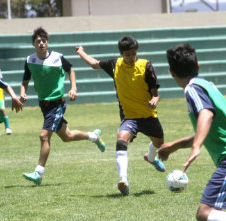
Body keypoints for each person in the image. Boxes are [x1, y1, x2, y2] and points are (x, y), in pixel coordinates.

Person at [158, 43, 226, 221]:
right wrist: (176, 145)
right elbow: (209, 127)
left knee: (205, 213)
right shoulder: (207, 85)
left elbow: (206, 114)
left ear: (171, 72)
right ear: (198, 64)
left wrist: (196, 147)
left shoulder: (192, 88)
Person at [76, 36, 165, 196]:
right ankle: (123, 180)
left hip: (148, 116)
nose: (131, 58)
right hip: (129, 117)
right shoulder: (114, 65)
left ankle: (151, 157)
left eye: (134, 54)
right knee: (121, 140)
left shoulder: (146, 66)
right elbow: (94, 64)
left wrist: (154, 100)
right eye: (128, 55)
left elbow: (155, 94)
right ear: (121, 53)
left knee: (159, 143)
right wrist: (81, 52)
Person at [20, 27, 106, 186]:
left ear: (48, 42)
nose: (41, 44)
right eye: (38, 41)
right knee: (67, 136)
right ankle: (94, 136)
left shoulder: (58, 58)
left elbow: (70, 71)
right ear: (33, 43)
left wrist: (73, 88)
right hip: (43, 105)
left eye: (44, 41)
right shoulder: (29, 60)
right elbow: (25, 80)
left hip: (57, 103)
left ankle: (38, 173)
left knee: (44, 136)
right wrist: (22, 92)